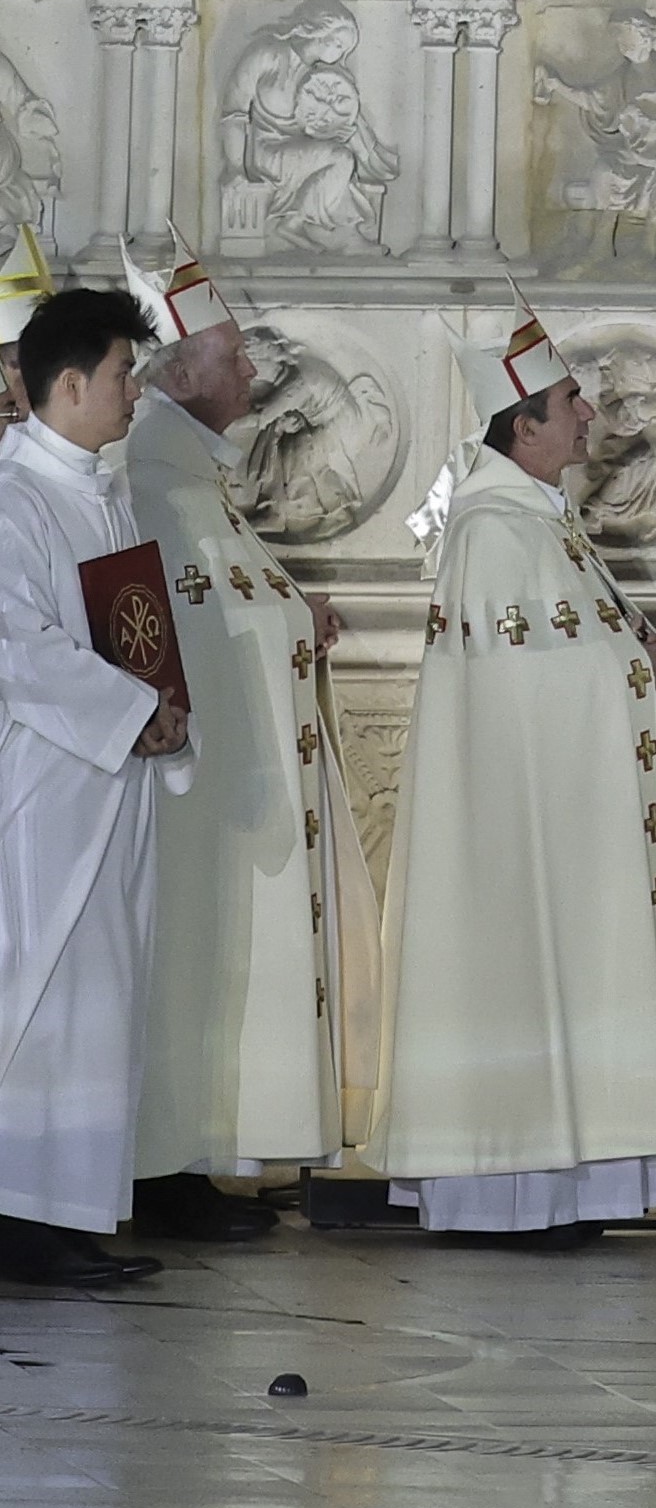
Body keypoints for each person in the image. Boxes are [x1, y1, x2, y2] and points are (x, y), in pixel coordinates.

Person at [370, 309, 656, 1242]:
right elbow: (524, 698)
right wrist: (633, 667)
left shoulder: (543, 526)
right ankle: (509, 1191)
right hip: (516, 835)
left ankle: (569, 1189)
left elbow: (580, 659)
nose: (587, 413)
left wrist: (637, 658)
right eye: (567, 402)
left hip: (559, 822)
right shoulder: (491, 536)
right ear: (521, 428)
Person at [119, 256, 368, 1240]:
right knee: (178, 966)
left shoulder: (195, 476)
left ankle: (191, 1161)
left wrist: (295, 616)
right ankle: (160, 1171)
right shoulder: (151, 476)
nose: (252, 378)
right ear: (181, 372)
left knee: (207, 968)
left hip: (220, 783)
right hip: (181, 784)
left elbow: (234, 604)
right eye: (232, 358)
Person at [0, 287, 191, 1289]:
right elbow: (16, 647)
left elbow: (136, 632)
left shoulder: (105, 490)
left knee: (101, 996)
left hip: (111, 783)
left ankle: (69, 1212)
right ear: (69, 384)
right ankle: (21, 1219)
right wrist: (127, 710)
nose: (134, 392)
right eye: (124, 373)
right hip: (46, 792)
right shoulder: (14, 497)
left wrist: (163, 710)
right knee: (43, 996)